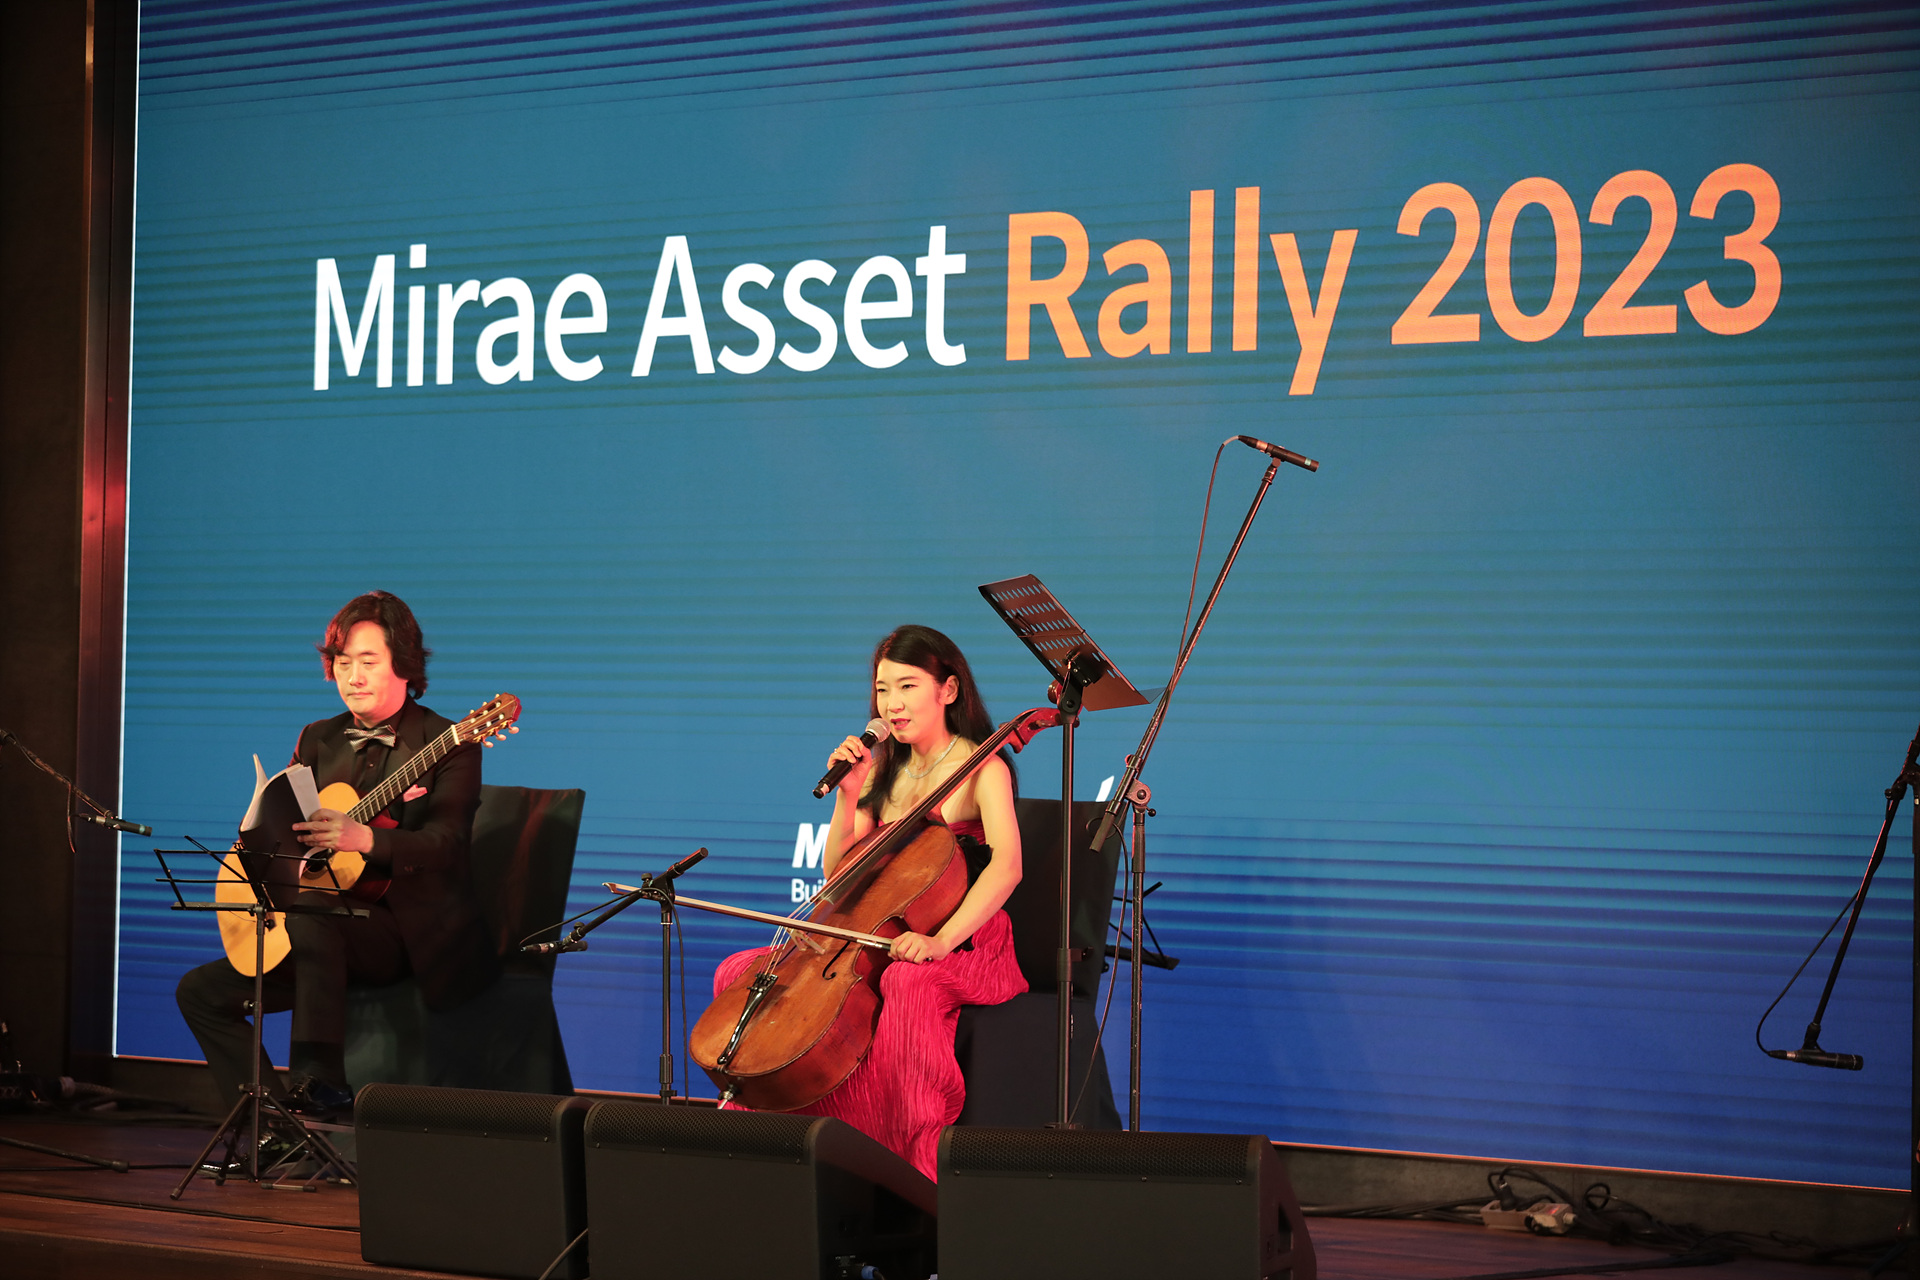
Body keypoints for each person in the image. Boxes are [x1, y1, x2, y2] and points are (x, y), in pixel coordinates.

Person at [711, 624, 1026, 1181]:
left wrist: (939, 942)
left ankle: (910, 1160)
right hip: (878, 928)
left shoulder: (984, 767)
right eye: (883, 689)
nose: (892, 704)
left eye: (907, 686)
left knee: (907, 983)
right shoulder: (881, 768)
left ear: (948, 690)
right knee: (740, 971)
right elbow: (839, 875)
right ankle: (777, 1145)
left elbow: (1007, 867)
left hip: (962, 936)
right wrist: (850, 794)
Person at [175, 591, 497, 1118]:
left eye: (368, 661)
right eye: (342, 663)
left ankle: (319, 1080)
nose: (353, 676)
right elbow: (284, 828)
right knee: (199, 992)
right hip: (316, 930)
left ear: (403, 663)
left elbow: (447, 846)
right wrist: (269, 848)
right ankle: (272, 1131)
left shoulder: (448, 740)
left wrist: (365, 839)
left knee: (314, 915)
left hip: (404, 931)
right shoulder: (318, 738)